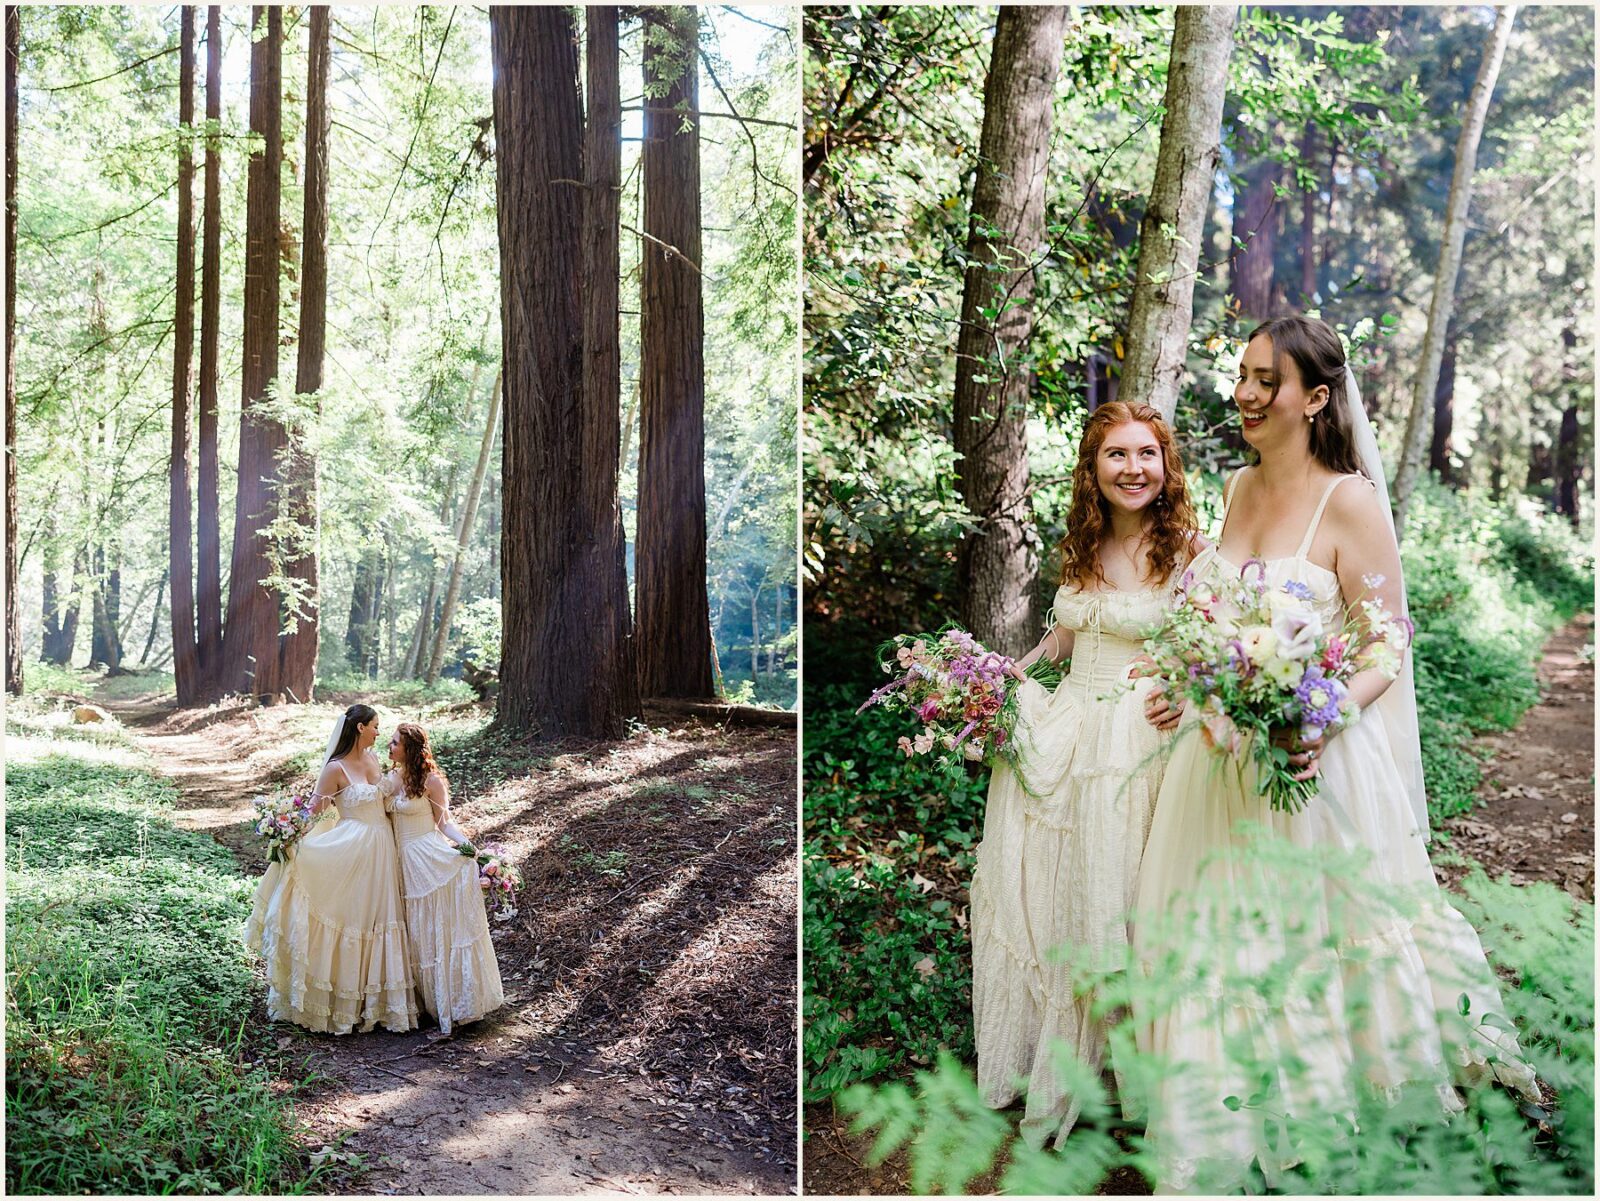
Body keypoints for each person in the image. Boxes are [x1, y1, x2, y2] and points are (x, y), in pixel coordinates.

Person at [1132, 315, 1540, 1192]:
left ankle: (1339, 1112)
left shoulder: (1347, 499)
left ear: (1315, 397)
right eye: (1239, 375)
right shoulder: (1238, 489)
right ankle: (1229, 1120)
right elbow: (1210, 620)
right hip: (1218, 766)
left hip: (1313, 764)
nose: (1243, 393)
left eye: (1264, 380)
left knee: (1321, 936)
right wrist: (1187, 684)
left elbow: (1386, 641)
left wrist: (1320, 716)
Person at [970, 401, 1200, 1148]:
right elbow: (1067, 636)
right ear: (1093, 469)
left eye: (1146, 454)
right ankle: (1061, 1062)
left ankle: (1138, 1075)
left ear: (1165, 466)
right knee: (1060, 894)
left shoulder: (1192, 550)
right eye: (1115, 455)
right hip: (1068, 724)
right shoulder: (1085, 543)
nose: (1133, 468)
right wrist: (1000, 680)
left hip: (1139, 737)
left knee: (1125, 900)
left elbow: (1217, 648)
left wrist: (1188, 692)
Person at [245, 704, 417, 1035]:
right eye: (375, 727)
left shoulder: (372, 760)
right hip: (350, 849)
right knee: (352, 916)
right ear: (360, 728)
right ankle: (339, 1001)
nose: (380, 733)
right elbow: (313, 812)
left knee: (377, 918)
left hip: (382, 848)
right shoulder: (335, 769)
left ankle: (375, 1003)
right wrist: (288, 834)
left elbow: (386, 801)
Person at [385, 722, 505, 1037]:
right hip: (402, 862)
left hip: (427, 857)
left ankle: (453, 1002)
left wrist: (470, 850)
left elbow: (445, 824)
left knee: (434, 926)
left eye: (395, 742)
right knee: (417, 930)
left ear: (409, 748)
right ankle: (427, 1002)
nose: (389, 746)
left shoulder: (431, 781)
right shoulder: (393, 778)